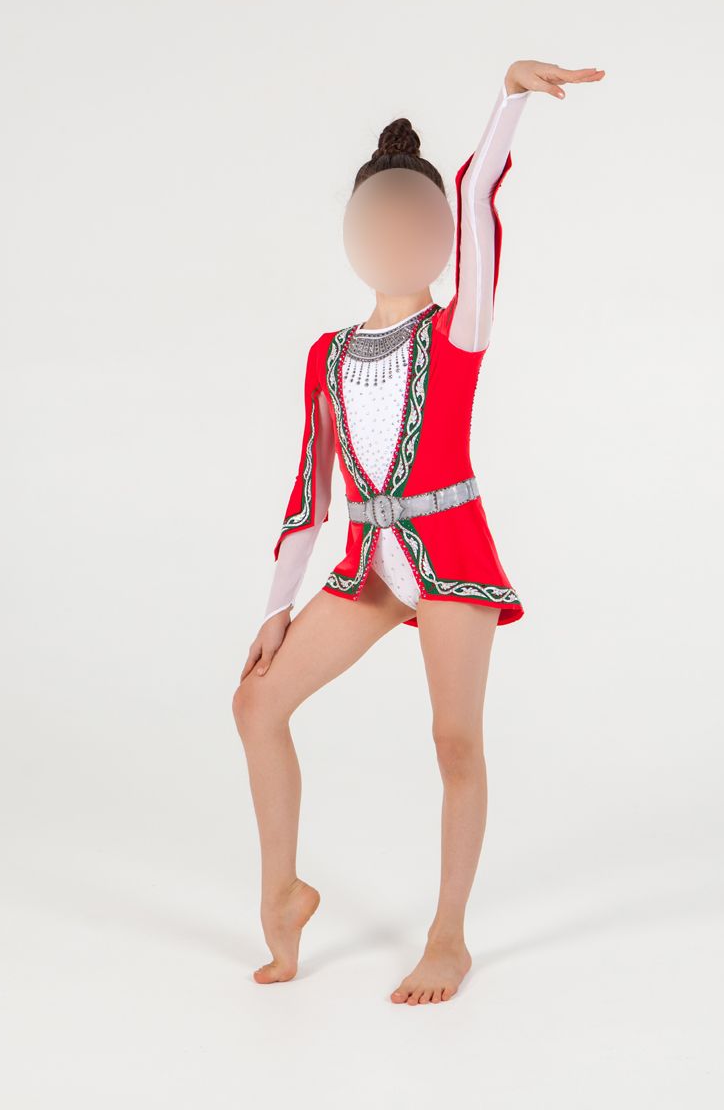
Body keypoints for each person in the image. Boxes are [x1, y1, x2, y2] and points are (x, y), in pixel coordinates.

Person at [232, 59, 605, 1004]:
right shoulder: (328, 354)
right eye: (378, 222)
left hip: (451, 560)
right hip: (368, 567)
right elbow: (309, 492)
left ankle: (449, 937)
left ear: (442, 238)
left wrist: (509, 97)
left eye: (417, 222)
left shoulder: (458, 331)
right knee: (256, 705)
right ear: (351, 235)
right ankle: (283, 895)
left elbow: (480, 192)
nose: (396, 236)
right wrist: (276, 609)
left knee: (454, 742)